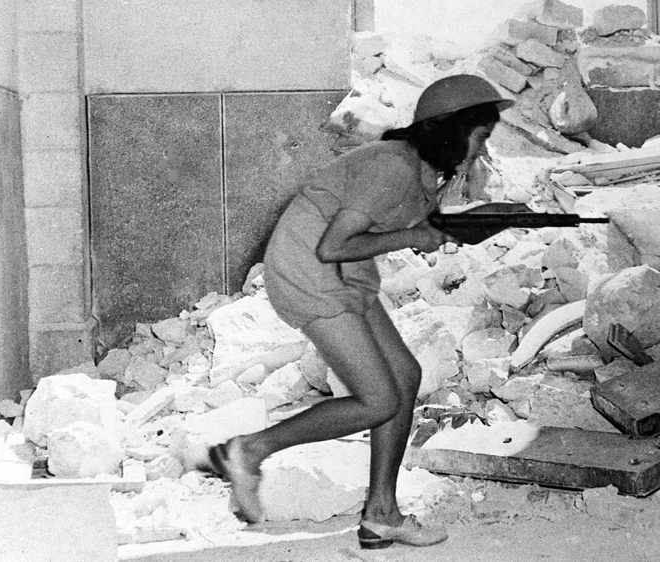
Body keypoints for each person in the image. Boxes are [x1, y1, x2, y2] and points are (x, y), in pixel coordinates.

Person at [205, 74, 514, 549]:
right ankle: (247, 451)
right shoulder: (391, 167)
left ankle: (381, 515)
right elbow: (334, 246)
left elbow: (404, 224)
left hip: (346, 273)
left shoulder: (419, 170)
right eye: (480, 138)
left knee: (404, 377)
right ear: (451, 130)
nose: (480, 152)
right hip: (310, 271)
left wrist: (488, 219)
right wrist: (415, 237)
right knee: (377, 400)